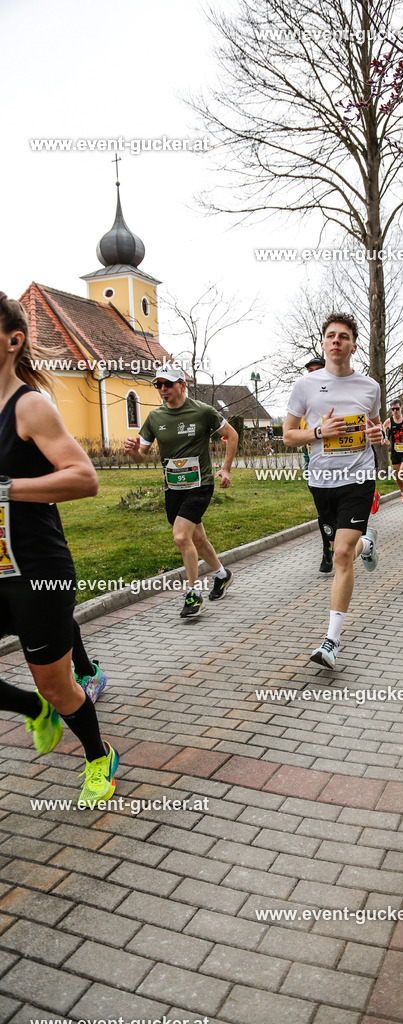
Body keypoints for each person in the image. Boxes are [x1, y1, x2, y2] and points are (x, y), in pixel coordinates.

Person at [0, 291, 117, 805]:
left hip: (34, 572)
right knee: (43, 695)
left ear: (12, 340)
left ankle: (98, 755)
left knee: (58, 685)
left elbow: (84, 478)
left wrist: (8, 490)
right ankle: (33, 711)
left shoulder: (29, 405)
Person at [283, 312, 382, 669]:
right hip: (321, 482)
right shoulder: (305, 385)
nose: (336, 341)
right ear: (323, 343)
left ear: (353, 345)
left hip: (358, 478)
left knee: (340, 555)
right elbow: (288, 435)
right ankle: (366, 543)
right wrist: (319, 434)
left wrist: (377, 435)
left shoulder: (370, 387)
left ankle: (331, 641)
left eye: (343, 336)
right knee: (343, 547)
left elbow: (372, 426)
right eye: (330, 336)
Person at [124, 364, 238, 618]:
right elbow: (141, 456)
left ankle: (194, 594)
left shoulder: (203, 411)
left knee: (180, 537)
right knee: (197, 538)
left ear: (182, 385)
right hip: (173, 488)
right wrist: (133, 452)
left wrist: (226, 469)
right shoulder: (155, 418)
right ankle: (222, 574)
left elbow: (232, 435)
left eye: (168, 384)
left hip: (200, 485)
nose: (162, 389)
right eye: (158, 385)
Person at [302, 356, 335, 573]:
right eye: (310, 371)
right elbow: (292, 432)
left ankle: (342, 543)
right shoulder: (303, 400)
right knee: (324, 512)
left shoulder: (338, 397)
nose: (313, 374)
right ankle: (327, 550)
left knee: (340, 510)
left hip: (342, 464)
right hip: (314, 464)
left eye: (318, 369)